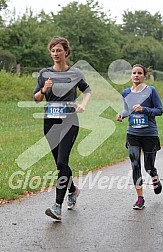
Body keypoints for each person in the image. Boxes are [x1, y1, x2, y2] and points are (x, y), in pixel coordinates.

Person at [33, 36, 91, 220]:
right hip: (50, 121)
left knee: (61, 163)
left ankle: (57, 206)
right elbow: (36, 98)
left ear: (66, 52)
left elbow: (87, 90)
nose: (55, 53)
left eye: (59, 50)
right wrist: (44, 90)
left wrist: (83, 104)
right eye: (53, 50)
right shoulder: (44, 73)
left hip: (69, 121)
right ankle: (73, 190)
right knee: (61, 164)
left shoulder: (75, 73)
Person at [116, 64, 163, 210]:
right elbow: (127, 109)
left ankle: (154, 178)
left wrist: (144, 109)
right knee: (135, 165)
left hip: (149, 134)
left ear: (144, 76)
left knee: (149, 167)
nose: (136, 75)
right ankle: (140, 198)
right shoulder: (125, 92)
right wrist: (121, 115)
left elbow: (159, 110)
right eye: (133, 73)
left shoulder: (151, 91)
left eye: (139, 73)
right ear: (131, 75)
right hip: (133, 134)